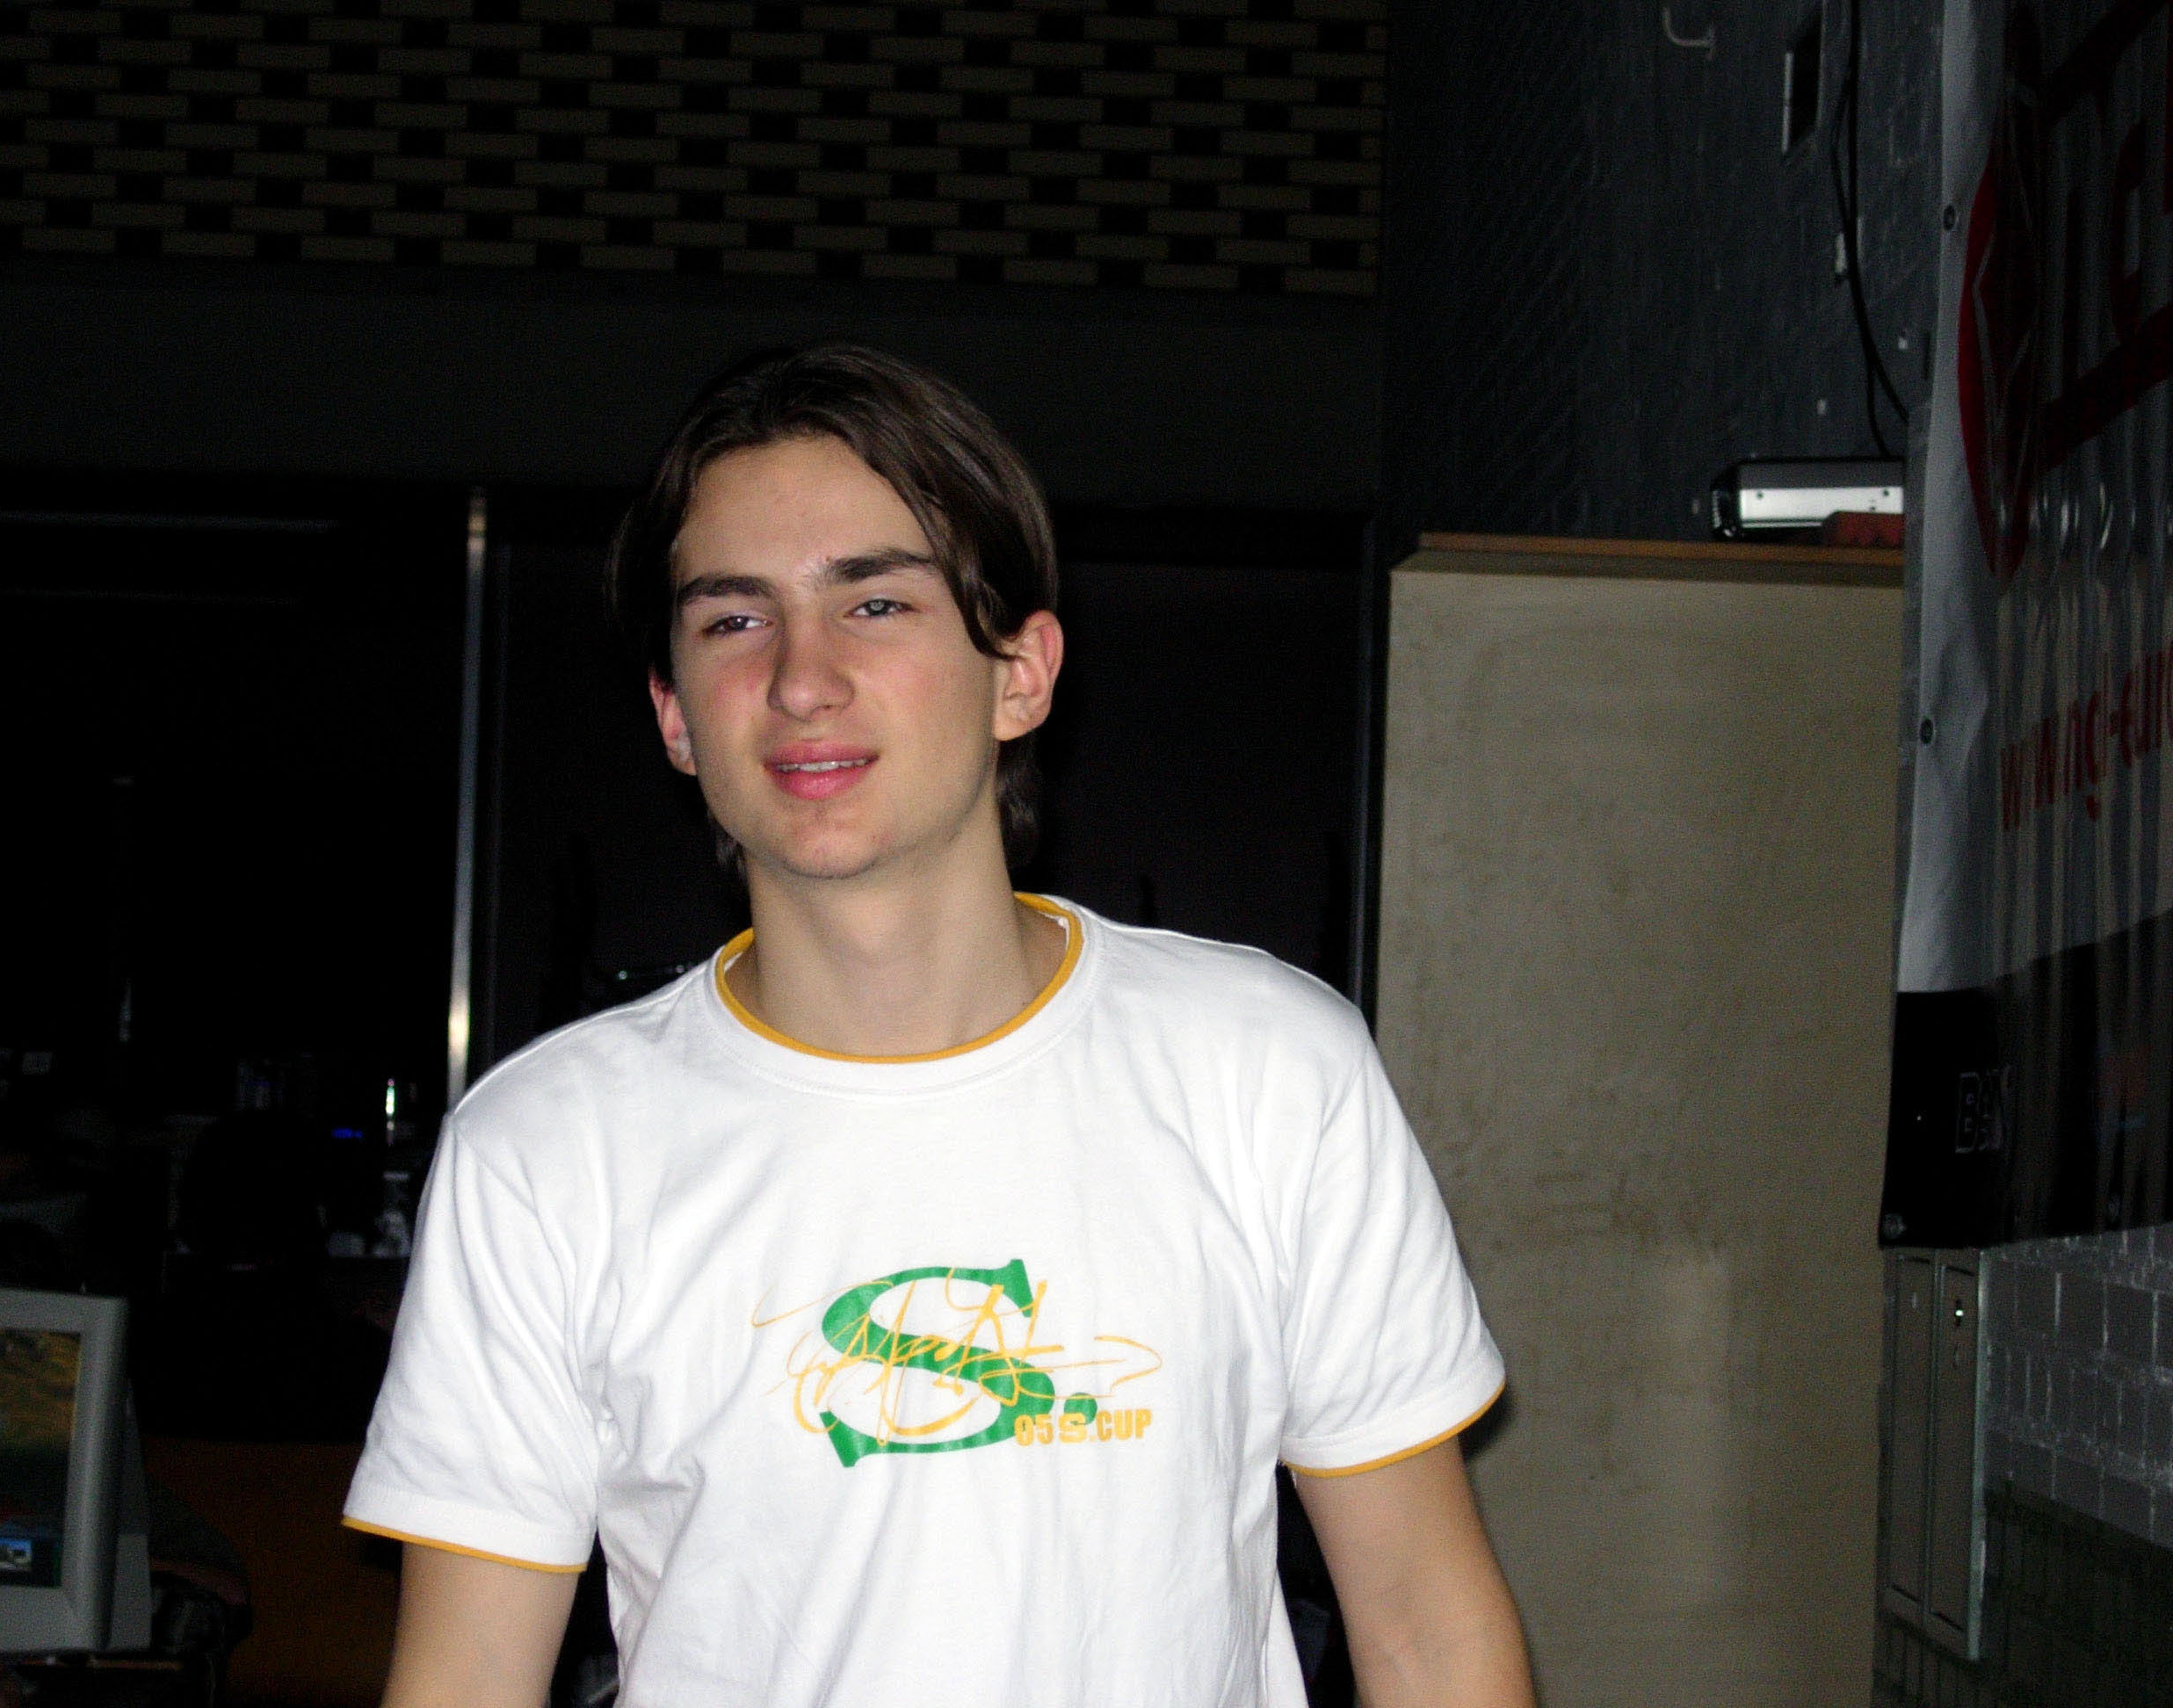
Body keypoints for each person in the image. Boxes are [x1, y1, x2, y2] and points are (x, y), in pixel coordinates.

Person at [342, 346, 1533, 1708]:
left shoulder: (1267, 1070)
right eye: (733, 622)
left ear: (1020, 671)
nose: (802, 679)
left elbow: (1428, 1634)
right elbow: (463, 1681)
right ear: (672, 716)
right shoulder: (544, 1151)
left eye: (877, 603)